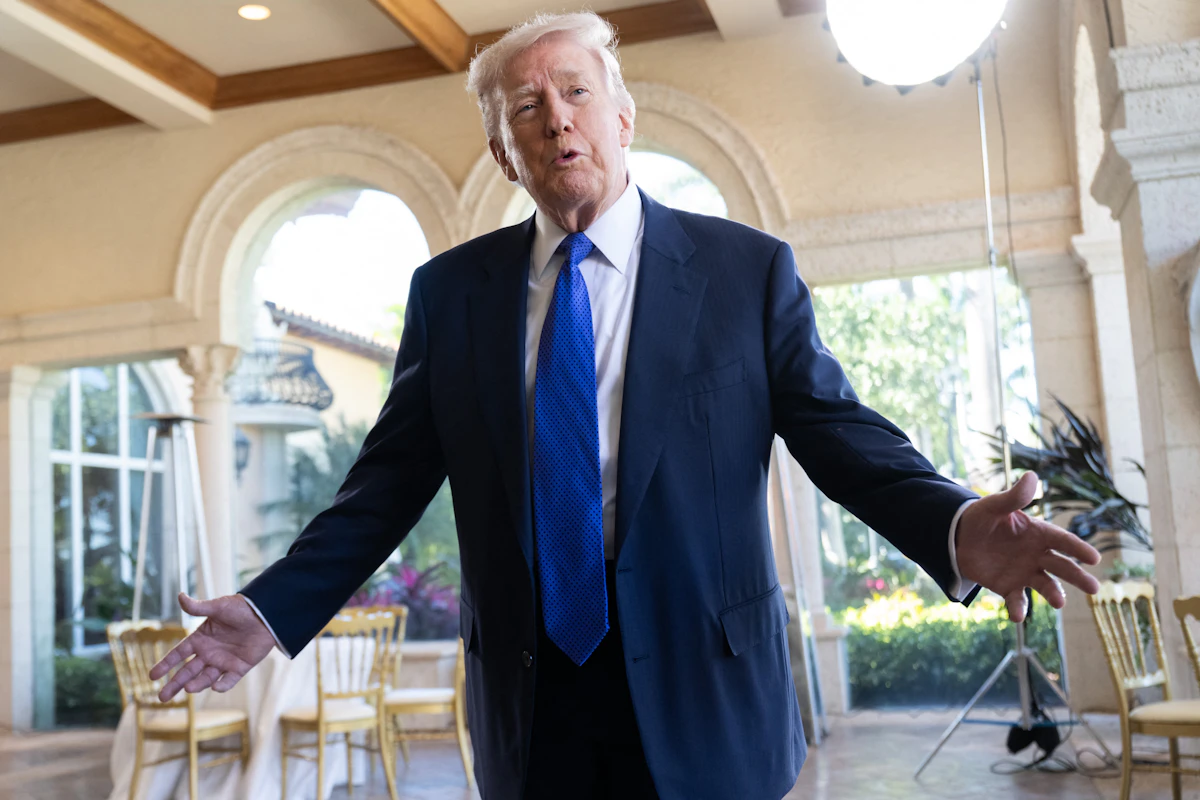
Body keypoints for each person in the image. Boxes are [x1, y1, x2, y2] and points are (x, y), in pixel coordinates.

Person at [151, 11, 1102, 800]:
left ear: (623, 117)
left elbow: (840, 435)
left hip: (707, 680)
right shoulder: (451, 296)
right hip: (532, 693)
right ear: (503, 151)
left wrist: (951, 525)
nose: (557, 120)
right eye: (528, 107)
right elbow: (385, 486)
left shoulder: (743, 271)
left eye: (576, 93)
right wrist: (273, 609)